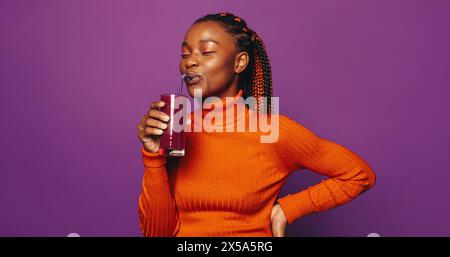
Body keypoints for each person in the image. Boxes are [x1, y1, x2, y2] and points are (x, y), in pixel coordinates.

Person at [137, 12, 376, 237]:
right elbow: (157, 233)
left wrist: (287, 209)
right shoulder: (178, 130)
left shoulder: (271, 132)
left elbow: (358, 174)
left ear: (239, 62)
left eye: (206, 51)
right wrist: (152, 155)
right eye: (185, 54)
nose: (189, 62)